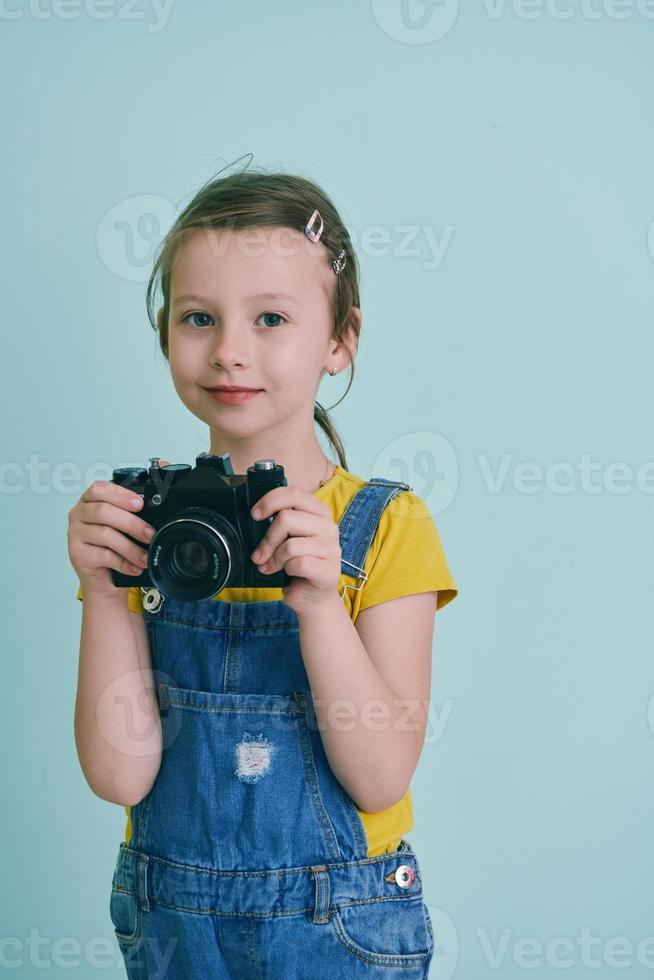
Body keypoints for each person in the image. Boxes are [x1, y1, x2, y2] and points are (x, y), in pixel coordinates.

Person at [68, 160, 459, 978]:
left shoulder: (387, 525)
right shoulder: (147, 528)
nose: (230, 352)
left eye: (272, 317)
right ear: (165, 332)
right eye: (199, 317)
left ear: (341, 340)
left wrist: (320, 606)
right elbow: (119, 774)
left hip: (341, 919)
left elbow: (382, 775)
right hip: (176, 923)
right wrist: (106, 595)